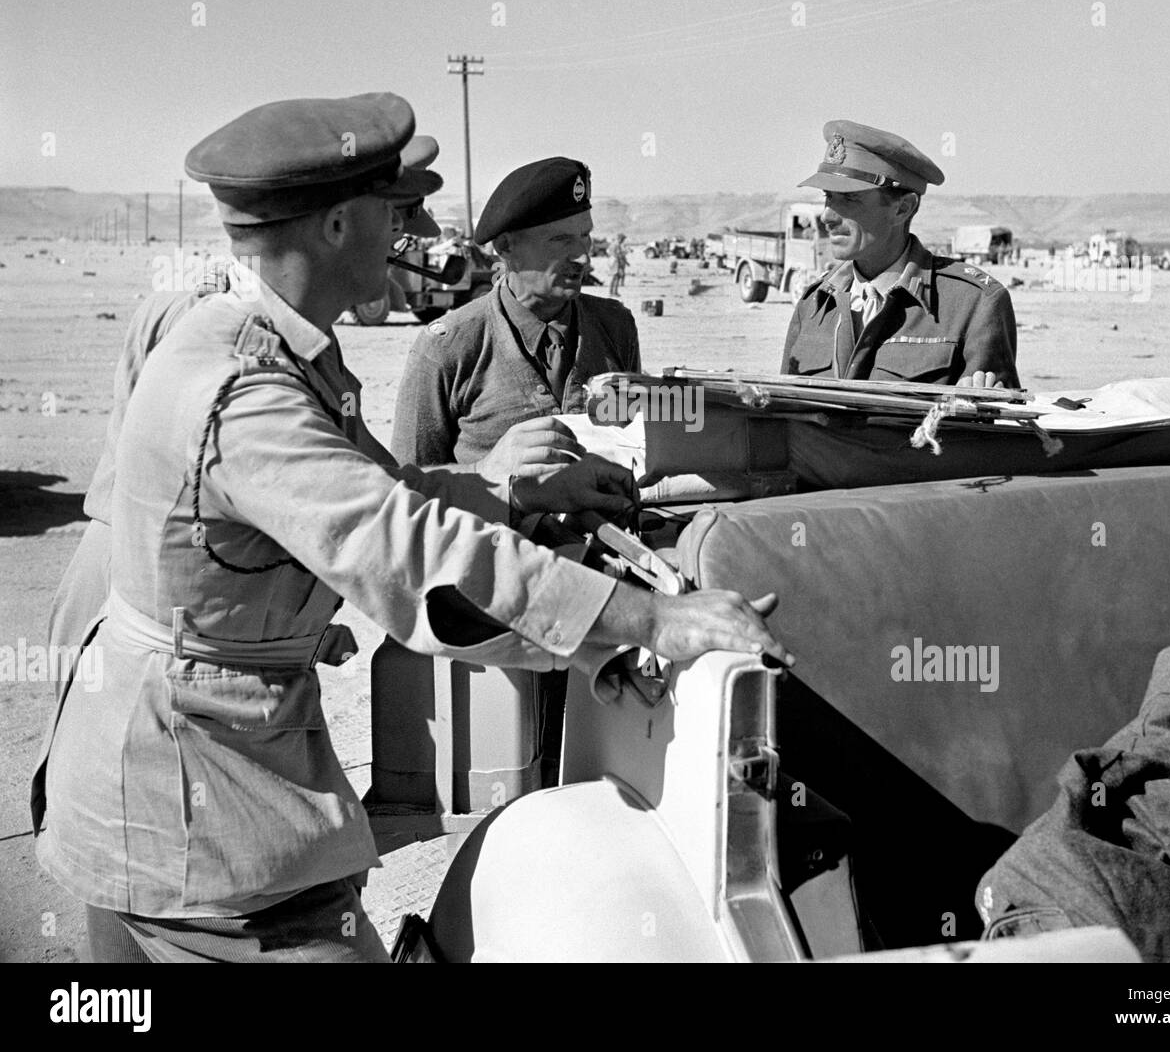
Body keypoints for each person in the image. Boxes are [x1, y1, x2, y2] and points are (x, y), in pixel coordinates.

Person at [31, 93, 789, 964]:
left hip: (159, 788)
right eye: (397, 214)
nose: (414, 236)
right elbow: (411, 545)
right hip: (202, 814)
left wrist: (518, 497)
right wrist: (645, 621)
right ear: (342, 225)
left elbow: (396, 487)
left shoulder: (273, 346)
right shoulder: (249, 390)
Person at [43, 135, 446, 681]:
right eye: (394, 227)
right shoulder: (212, 324)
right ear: (335, 225)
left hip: (218, 625)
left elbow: (368, 470)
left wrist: (496, 487)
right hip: (143, 610)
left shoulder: (307, 338)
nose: (397, 253)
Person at [391, 157, 642, 470]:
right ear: (506, 246)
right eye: (561, 239)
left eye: (585, 236)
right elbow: (409, 486)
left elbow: (634, 444)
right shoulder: (448, 347)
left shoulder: (616, 325)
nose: (582, 257)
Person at [780, 120, 1020, 390]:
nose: (827, 216)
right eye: (828, 197)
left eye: (848, 199)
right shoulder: (815, 304)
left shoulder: (973, 304)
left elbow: (992, 426)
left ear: (903, 208)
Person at [608, 232, 628, 297]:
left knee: (616, 277)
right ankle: (613, 292)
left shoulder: (615, 244)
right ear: (620, 238)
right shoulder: (616, 245)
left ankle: (613, 292)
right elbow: (616, 254)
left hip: (614, 262)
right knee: (616, 277)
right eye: (623, 239)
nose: (623, 241)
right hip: (615, 262)